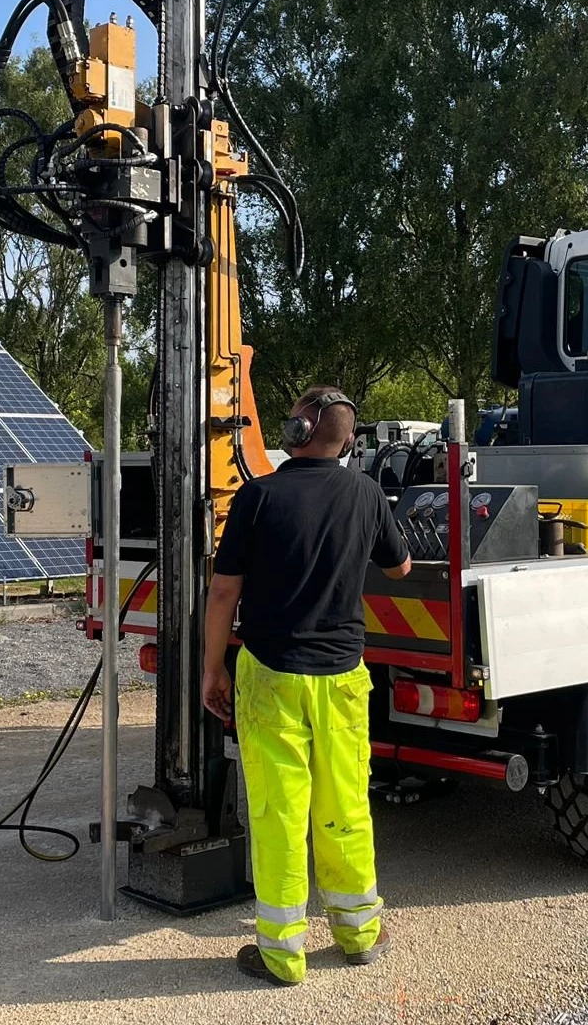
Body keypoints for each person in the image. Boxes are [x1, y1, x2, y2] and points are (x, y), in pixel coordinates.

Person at [201, 385, 413, 987]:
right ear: (347, 439)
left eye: (292, 417)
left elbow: (223, 592)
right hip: (344, 679)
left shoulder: (257, 497)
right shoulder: (367, 494)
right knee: (346, 805)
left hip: (271, 676)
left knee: (279, 813)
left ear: (300, 431)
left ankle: (282, 955)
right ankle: (359, 935)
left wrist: (212, 669)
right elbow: (398, 568)